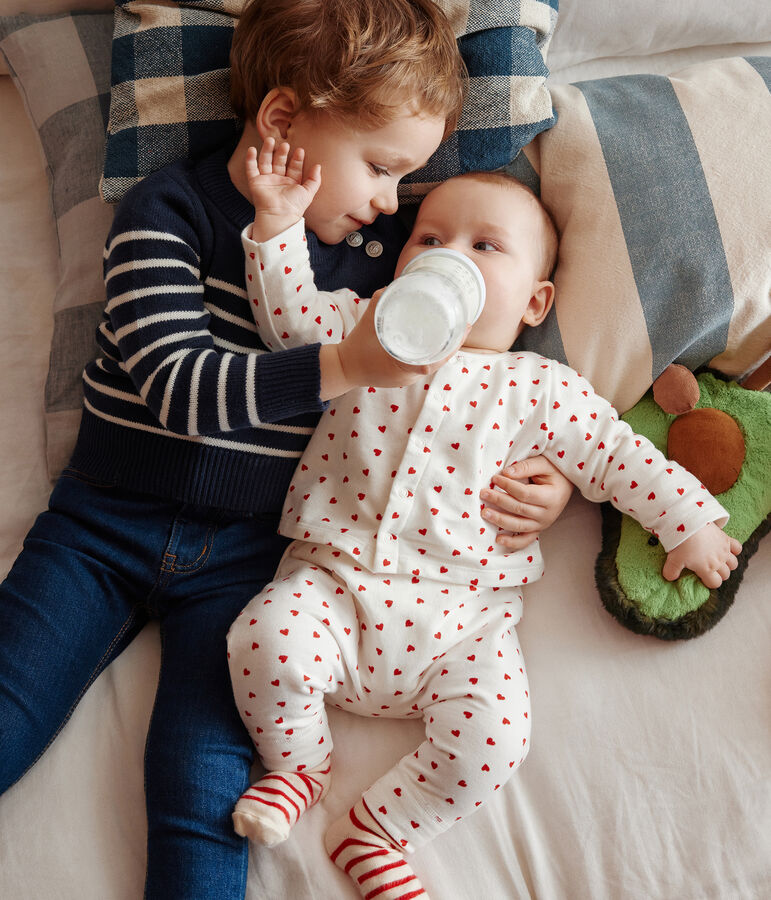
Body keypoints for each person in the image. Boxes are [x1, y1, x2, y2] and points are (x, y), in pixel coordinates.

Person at [0, 2, 573, 898]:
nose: (390, 202)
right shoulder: (168, 210)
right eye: (380, 168)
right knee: (9, 707)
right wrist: (344, 364)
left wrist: (550, 478)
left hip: (253, 562)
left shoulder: (384, 262)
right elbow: (180, 388)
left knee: (201, 790)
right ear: (280, 118)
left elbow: (469, 384)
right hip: (100, 526)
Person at [227, 148, 742, 900]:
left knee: (498, 736)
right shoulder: (366, 329)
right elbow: (290, 323)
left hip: (461, 622)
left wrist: (687, 520)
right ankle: (299, 766)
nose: (449, 257)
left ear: (535, 302)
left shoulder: (539, 386)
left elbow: (615, 454)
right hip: (333, 584)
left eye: (485, 246)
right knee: (262, 638)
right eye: (429, 239)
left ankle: (378, 831)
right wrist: (276, 225)